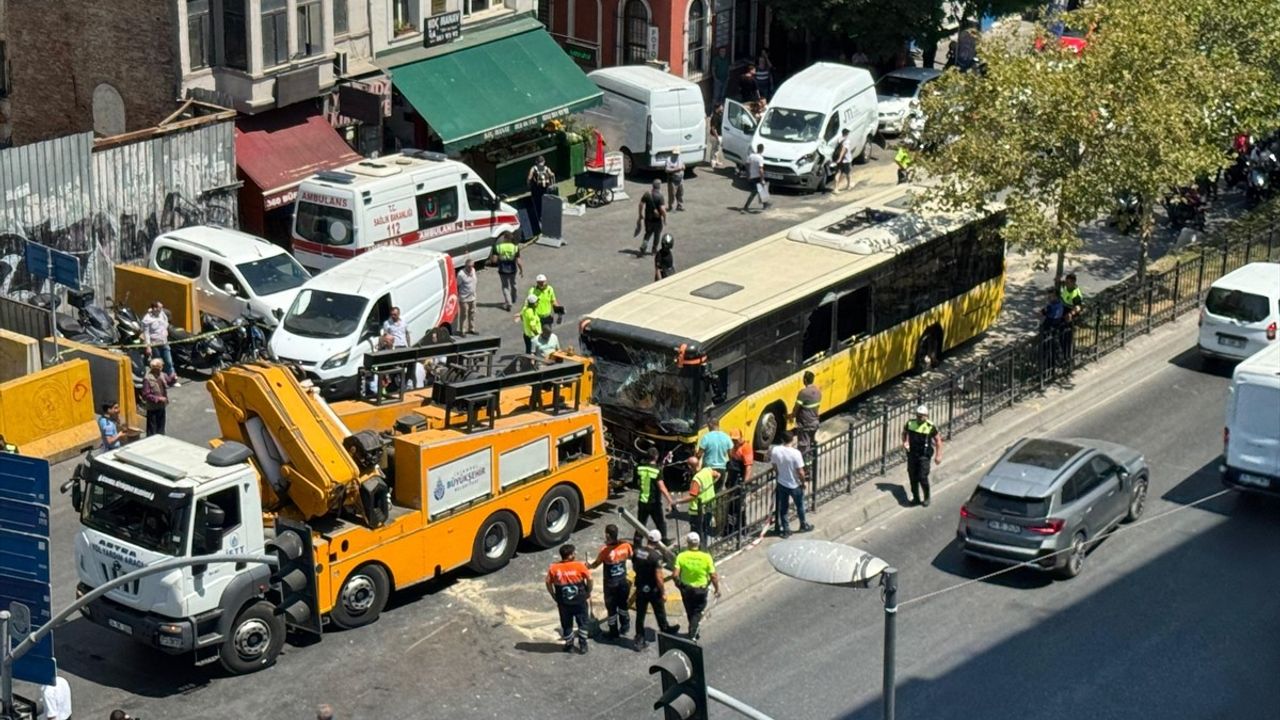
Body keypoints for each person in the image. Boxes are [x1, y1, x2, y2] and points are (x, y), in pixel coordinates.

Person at [631, 529, 679, 651]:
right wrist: (663, 592)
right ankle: (665, 629)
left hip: (641, 587)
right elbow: (659, 576)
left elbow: (634, 566)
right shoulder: (656, 556)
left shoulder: (637, 552)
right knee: (659, 610)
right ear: (657, 542)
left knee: (640, 614)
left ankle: (639, 639)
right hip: (653, 589)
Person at [673, 532, 720, 642]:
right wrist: (717, 589)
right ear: (698, 543)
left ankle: (692, 627)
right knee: (698, 611)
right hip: (701, 589)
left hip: (686, 589)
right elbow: (713, 576)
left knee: (690, 609)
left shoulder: (681, 556)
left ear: (688, 543)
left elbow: (675, 575)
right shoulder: (706, 557)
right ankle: (693, 631)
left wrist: (679, 584)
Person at [546, 543, 592, 654]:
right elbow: (590, 579)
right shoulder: (580, 566)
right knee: (583, 623)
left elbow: (548, 582)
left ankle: (569, 645)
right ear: (570, 555)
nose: (575, 554)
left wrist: (553, 594)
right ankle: (583, 645)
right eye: (573, 553)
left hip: (564, 603)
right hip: (579, 601)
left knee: (566, 624)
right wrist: (588, 591)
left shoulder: (554, 568)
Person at [589, 524, 633, 640]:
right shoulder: (626, 546)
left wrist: (589, 566)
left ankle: (613, 632)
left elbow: (596, 564)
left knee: (611, 608)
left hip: (610, 584)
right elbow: (631, 555)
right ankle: (625, 626)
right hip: (623, 581)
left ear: (607, 535)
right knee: (623, 605)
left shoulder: (605, 551)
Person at [770, 431, 812, 536]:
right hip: (794, 484)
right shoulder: (795, 453)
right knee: (800, 505)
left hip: (781, 483)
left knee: (783, 507)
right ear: (792, 439)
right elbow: (800, 471)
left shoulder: (775, 450)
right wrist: (803, 482)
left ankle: (786, 529)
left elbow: (774, 466)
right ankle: (803, 524)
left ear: (782, 440)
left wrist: (779, 474)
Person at [901, 404, 942, 506]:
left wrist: (938, 455)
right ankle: (916, 498)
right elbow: (904, 433)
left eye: (922, 416)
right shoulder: (910, 423)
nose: (919, 418)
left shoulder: (930, 426)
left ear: (926, 416)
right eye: (918, 415)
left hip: (924, 455)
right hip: (912, 454)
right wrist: (905, 442)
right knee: (912, 476)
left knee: (922, 476)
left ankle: (927, 496)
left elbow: (938, 441)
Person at [722, 429, 753, 536]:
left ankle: (742, 528)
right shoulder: (734, 448)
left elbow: (748, 467)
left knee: (739, 506)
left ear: (741, 437)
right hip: (732, 480)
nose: (734, 441)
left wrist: (745, 483)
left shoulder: (746, 448)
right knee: (731, 506)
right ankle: (730, 529)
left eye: (736, 439)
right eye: (733, 440)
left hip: (739, 481)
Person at [141, 300, 178, 386]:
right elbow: (146, 334)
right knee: (157, 364)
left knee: (169, 362)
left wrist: (165, 330)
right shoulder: (147, 319)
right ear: (154, 308)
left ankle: (172, 380)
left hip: (164, 342)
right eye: (160, 307)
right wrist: (148, 347)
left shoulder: (162, 314)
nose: (162, 309)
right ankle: (159, 381)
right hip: (155, 344)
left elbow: (166, 321)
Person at [683, 458, 720, 540]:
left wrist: (677, 501)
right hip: (709, 506)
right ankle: (704, 548)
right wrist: (711, 484)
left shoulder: (696, 479)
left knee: (697, 533)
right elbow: (718, 475)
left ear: (689, 467)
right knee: (705, 530)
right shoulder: (707, 470)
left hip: (697, 511)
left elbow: (692, 496)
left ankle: (698, 548)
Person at [790, 371, 822, 466]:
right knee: (811, 444)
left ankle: (806, 469)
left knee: (803, 447)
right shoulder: (818, 391)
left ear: (804, 380)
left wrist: (791, 416)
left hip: (805, 424)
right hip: (814, 422)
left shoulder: (803, 393)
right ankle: (812, 464)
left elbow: (796, 408)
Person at [489, 231, 524, 311]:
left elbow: (494, 260)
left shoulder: (498, 247)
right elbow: (518, 261)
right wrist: (521, 270)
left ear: (504, 238)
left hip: (502, 269)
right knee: (514, 284)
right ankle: (514, 298)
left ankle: (509, 303)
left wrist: (491, 259)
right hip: (513, 269)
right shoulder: (515, 247)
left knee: (505, 286)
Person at [1056, 272, 1084, 364]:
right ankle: (1063, 356)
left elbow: (1078, 307)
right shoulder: (1066, 286)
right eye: (1066, 282)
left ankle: (1068, 359)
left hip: (1070, 317)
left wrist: (1071, 314)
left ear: (1073, 283)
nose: (1066, 284)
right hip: (1063, 313)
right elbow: (1062, 283)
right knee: (1060, 335)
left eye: (1068, 283)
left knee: (1067, 338)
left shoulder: (1076, 294)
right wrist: (1058, 281)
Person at [526, 155, 556, 236]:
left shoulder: (533, 168)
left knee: (537, 204)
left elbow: (529, 178)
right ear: (544, 161)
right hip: (544, 189)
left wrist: (528, 185)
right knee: (545, 203)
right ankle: (546, 218)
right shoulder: (546, 168)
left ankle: (539, 220)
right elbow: (552, 175)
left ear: (536, 162)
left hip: (536, 190)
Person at [1040, 288, 1069, 370]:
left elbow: (1044, 313)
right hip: (1054, 327)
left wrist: (1044, 312)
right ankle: (1056, 364)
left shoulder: (1053, 306)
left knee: (1050, 348)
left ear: (1055, 296)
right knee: (1052, 347)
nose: (1049, 298)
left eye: (1050, 297)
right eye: (1048, 297)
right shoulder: (1058, 304)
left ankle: (1050, 367)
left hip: (1050, 328)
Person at [637, 178, 666, 256]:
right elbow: (662, 209)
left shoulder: (647, 194)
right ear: (659, 186)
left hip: (648, 219)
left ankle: (643, 247)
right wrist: (665, 218)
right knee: (657, 234)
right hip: (657, 220)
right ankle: (654, 250)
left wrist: (640, 214)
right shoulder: (660, 196)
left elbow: (641, 204)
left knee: (648, 233)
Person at [141, 358, 169, 436]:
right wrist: (158, 398)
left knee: (161, 428)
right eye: (160, 367)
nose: (161, 368)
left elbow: (168, 382)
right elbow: (146, 395)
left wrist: (173, 378)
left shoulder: (162, 375)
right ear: (155, 368)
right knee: (152, 430)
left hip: (161, 406)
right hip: (152, 408)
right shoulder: (147, 378)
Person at [741, 144, 770, 212]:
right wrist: (762, 179)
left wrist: (748, 174)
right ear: (762, 150)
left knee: (761, 191)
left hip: (752, 176)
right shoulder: (760, 158)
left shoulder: (751, 156)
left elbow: (747, 165)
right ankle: (746, 206)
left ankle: (765, 204)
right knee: (756, 192)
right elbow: (761, 169)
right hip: (757, 177)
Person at [455, 257, 478, 335]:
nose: (470, 268)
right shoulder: (461, 274)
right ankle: (463, 331)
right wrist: (458, 296)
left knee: (472, 314)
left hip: (473, 297)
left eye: (472, 266)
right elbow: (457, 285)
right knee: (464, 315)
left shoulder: (473, 271)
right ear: (465, 266)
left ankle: (471, 329)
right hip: (464, 298)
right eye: (469, 266)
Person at [708, 103, 724, 170]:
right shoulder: (715, 117)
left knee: (717, 149)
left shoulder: (719, 115)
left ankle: (716, 161)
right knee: (714, 149)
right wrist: (717, 137)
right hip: (715, 136)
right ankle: (713, 161)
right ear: (717, 108)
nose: (722, 108)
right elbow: (713, 128)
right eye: (721, 107)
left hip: (718, 135)